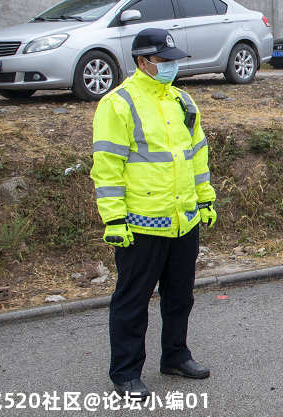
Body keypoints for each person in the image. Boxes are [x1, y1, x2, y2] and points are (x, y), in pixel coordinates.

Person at [91, 28, 217, 400]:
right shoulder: (119, 103)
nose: (171, 67)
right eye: (164, 61)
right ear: (142, 62)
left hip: (183, 220)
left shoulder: (183, 101)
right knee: (132, 301)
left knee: (180, 296)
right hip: (140, 225)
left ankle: (175, 356)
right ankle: (126, 372)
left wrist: (205, 198)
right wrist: (113, 219)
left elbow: (197, 156)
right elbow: (107, 167)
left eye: (174, 60)